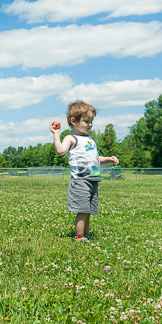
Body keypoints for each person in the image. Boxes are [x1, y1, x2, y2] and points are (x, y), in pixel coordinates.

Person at [50, 101, 119, 241]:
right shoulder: (71, 138)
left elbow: (95, 158)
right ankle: (79, 237)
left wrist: (109, 159)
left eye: (91, 121)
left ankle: (86, 235)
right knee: (82, 210)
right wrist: (56, 134)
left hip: (93, 179)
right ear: (73, 121)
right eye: (86, 121)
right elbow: (60, 151)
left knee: (88, 211)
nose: (89, 124)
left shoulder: (89, 140)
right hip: (80, 180)